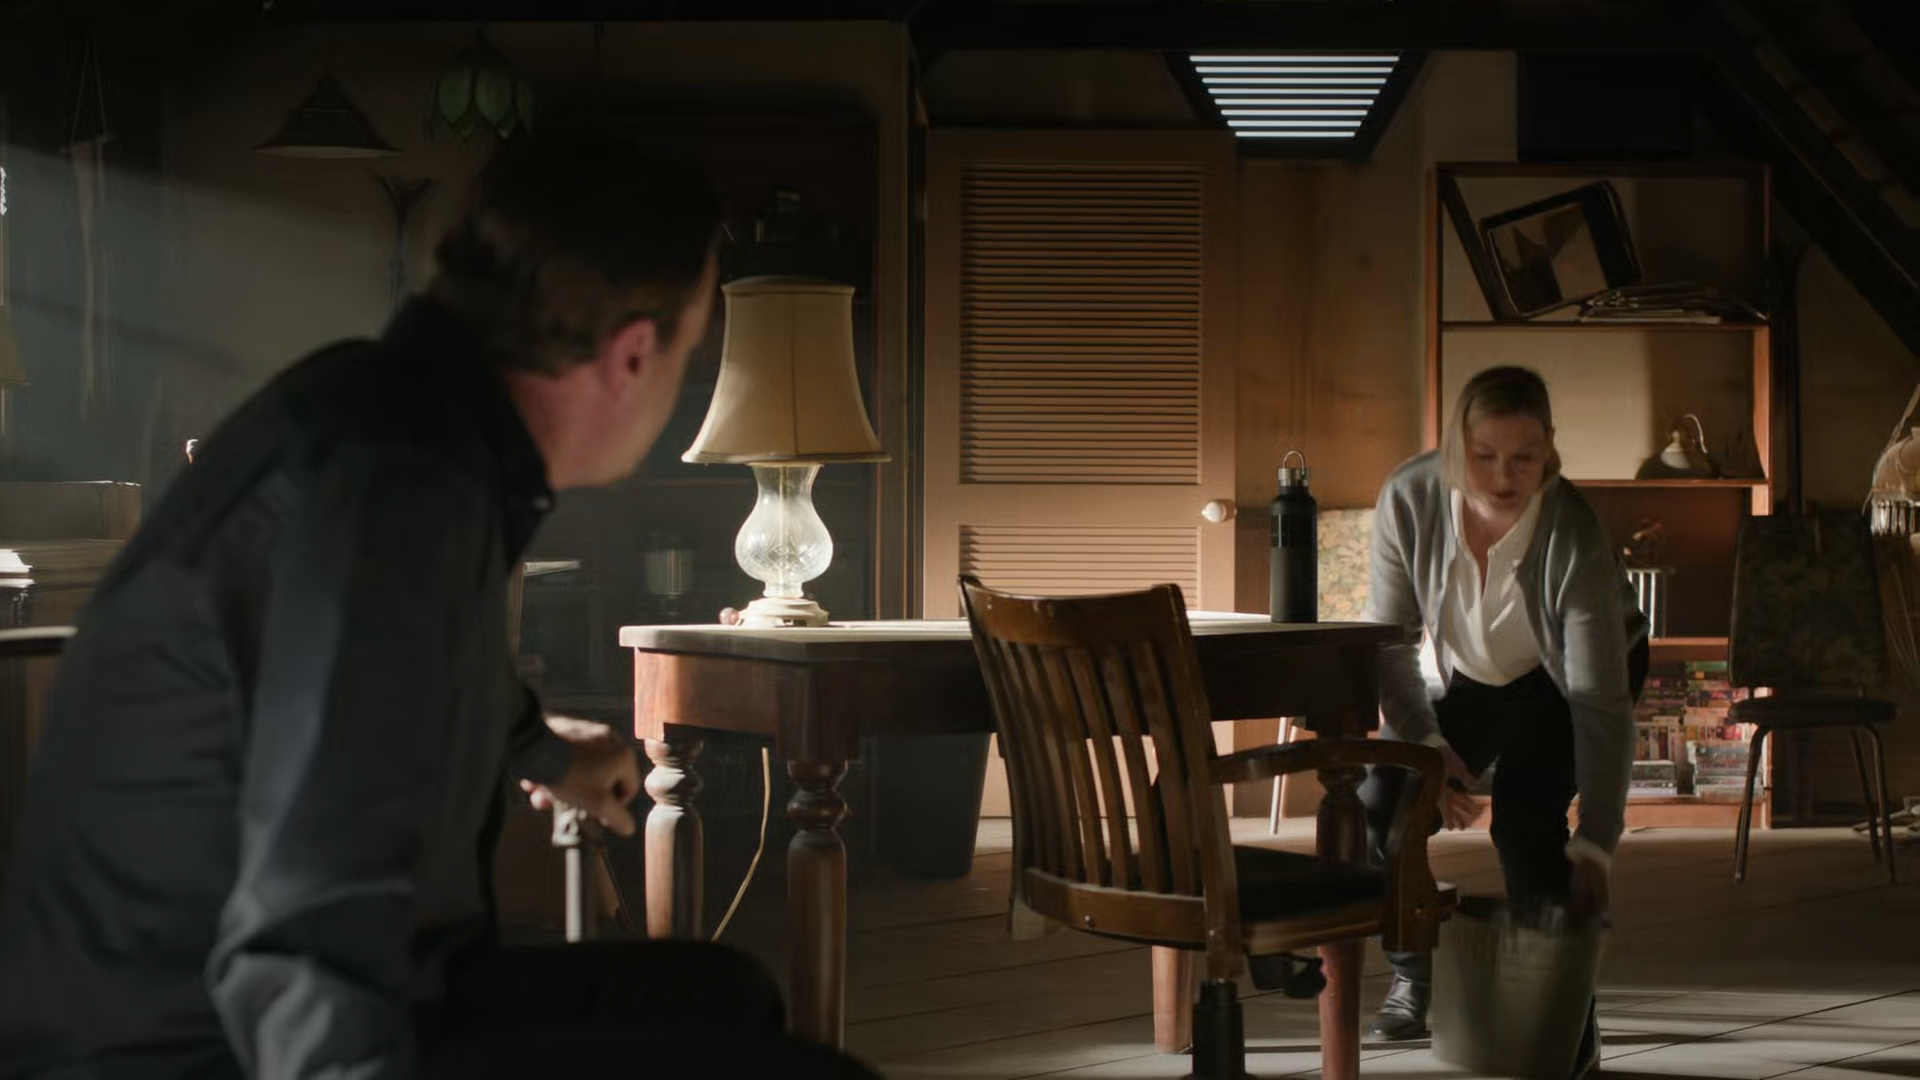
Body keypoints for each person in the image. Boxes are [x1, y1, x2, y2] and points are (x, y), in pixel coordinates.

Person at [0, 133, 879, 1080]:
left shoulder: (390, 417)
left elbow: (379, 678)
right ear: (631, 354)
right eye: (688, 350)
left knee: (717, 996)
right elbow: (307, 934)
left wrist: (544, 749)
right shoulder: (399, 487)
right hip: (194, 1042)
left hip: (256, 996)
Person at [1360, 366, 1649, 1067]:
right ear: (1455, 444)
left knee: (1525, 823)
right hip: (1472, 672)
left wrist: (1599, 842)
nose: (1501, 477)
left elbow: (1599, 702)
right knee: (1386, 796)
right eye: (1483, 455)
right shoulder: (1409, 497)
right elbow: (1389, 645)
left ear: (1549, 446)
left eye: (1524, 457)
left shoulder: (1572, 529)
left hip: (1570, 679)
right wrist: (1429, 745)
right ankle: (1413, 974)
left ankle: (1566, 1023)